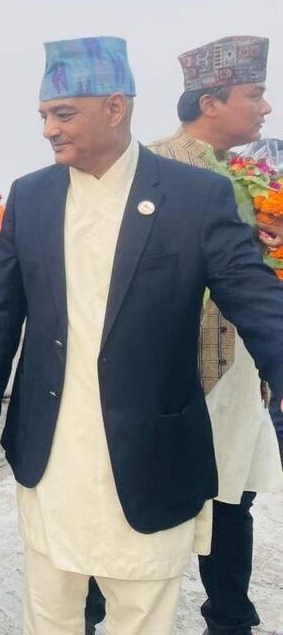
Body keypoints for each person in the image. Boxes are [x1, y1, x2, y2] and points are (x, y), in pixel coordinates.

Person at [0, 36, 283, 635]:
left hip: (149, 449)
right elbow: (2, 316)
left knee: (140, 613)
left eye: (63, 114)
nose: (49, 130)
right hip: (53, 449)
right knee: (50, 610)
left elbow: (257, 299)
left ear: (115, 107)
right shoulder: (32, 196)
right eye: (44, 117)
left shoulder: (193, 196)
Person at [84, 36, 283, 635]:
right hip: (166, 369)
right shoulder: (151, 170)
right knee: (133, 497)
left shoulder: (256, 178)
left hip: (237, 369)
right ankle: (95, 616)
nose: (266, 108)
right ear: (211, 101)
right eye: (255, 95)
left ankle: (229, 619)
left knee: (231, 500)